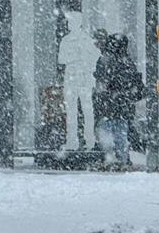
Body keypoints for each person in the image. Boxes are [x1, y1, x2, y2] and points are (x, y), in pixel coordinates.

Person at [93, 31, 144, 168]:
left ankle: (110, 159)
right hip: (123, 106)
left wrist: (104, 96)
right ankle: (122, 160)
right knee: (120, 134)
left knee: (107, 134)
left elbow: (100, 84)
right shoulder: (128, 62)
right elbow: (134, 84)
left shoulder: (104, 61)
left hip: (108, 106)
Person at [58, 11, 100, 150]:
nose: (69, 24)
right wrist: (76, 58)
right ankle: (72, 141)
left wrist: (85, 62)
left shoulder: (86, 39)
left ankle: (90, 141)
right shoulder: (66, 40)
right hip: (71, 77)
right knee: (71, 111)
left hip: (83, 78)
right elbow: (61, 59)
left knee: (88, 110)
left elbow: (96, 56)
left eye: (71, 21)